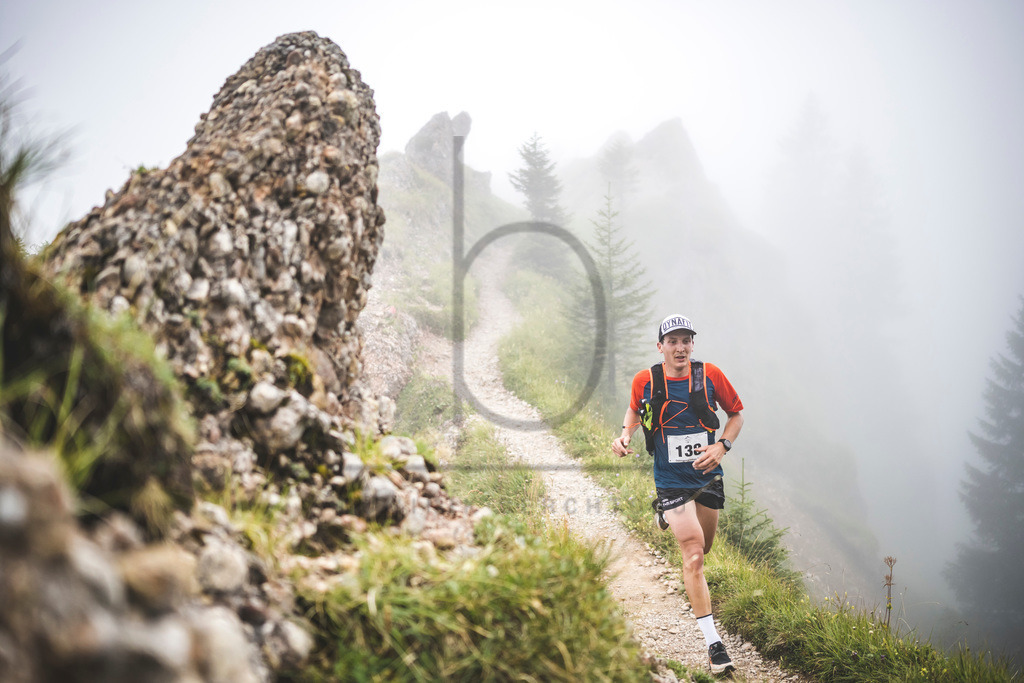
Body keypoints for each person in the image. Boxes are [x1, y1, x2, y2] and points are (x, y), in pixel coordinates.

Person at [612, 314, 744, 675]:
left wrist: (722, 446)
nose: (680, 347)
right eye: (673, 341)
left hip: (706, 476)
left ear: (692, 345)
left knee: (707, 545)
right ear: (661, 347)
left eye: (686, 340)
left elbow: (736, 413)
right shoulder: (647, 380)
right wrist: (624, 435)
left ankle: (667, 515)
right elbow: (634, 410)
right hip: (669, 478)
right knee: (694, 556)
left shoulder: (710, 375)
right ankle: (714, 644)